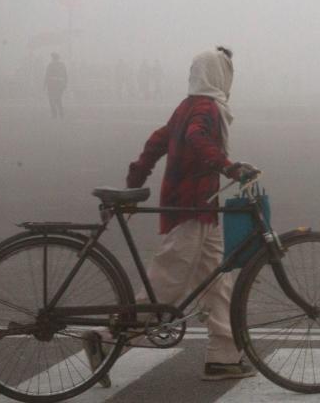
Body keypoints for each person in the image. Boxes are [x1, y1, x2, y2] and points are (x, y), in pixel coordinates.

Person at [84, 47, 259, 383]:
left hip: (201, 208)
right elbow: (196, 138)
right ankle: (106, 344)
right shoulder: (205, 108)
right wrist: (229, 167)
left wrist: (136, 178)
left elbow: (157, 141)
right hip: (191, 207)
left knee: (217, 282)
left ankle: (224, 356)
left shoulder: (189, 105)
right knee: (165, 287)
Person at [44, 52, 68, 119]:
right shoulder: (62, 65)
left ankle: (55, 114)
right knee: (58, 99)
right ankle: (60, 114)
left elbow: (47, 75)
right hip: (59, 85)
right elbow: (65, 76)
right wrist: (65, 84)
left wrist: (44, 85)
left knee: (52, 100)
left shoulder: (50, 65)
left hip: (52, 85)